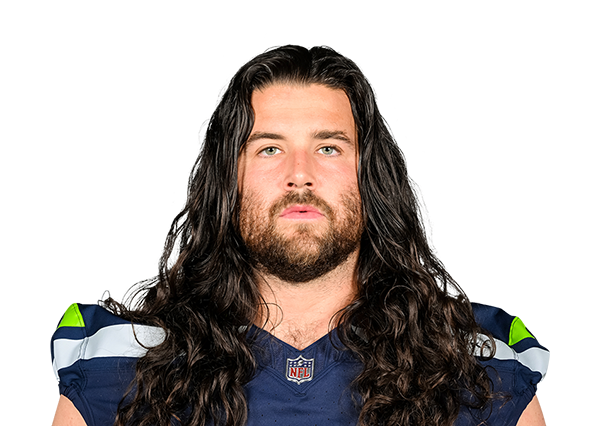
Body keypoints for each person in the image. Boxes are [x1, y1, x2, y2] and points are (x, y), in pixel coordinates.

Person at [52, 44, 549, 426]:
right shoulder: (104, 351)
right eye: (269, 149)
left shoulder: (491, 355)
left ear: (370, 176)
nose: (300, 175)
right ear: (230, 179)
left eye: (329, 148)